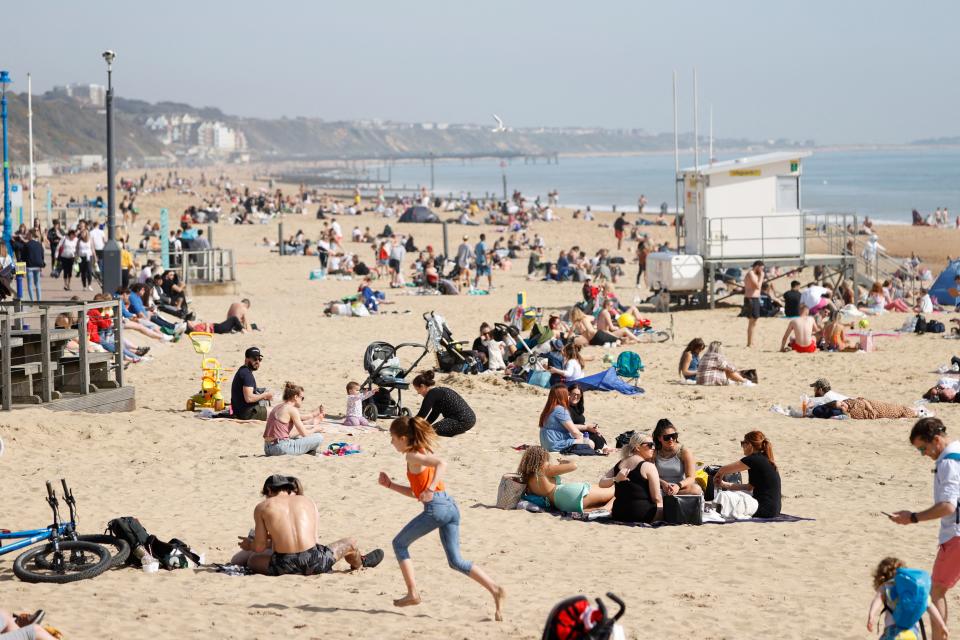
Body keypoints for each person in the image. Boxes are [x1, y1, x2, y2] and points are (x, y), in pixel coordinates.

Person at [378, 416, 504, 619]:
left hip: (437, 508)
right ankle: (495, 589)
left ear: (403, 438)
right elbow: (416, 493)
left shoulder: (412, 456)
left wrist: (428, 488)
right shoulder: (421, 452)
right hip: (450, 506)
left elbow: (441, 464)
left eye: (392, 438)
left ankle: (412, 593)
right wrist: (391, 485)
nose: (391, 442)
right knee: (456, 561)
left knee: (399, 544)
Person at [890, 417, 960, 639]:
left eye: (924, 448)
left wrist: (913, 517)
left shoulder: (948, 461)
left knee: (937, 590)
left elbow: (948, 506)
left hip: (956, 536)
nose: (924, 454)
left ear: (937, 439)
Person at [241, 474, 383, 576]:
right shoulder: (307, 501)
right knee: (350, 543)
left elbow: (259, 547)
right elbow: (314, 540)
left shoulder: (262, 507)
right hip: (315, 561)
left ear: (270, 491)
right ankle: (360, 563)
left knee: (252, 560)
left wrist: (249, 545)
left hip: (283, 565)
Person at [866, 556, 947, 639]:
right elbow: (929, 606)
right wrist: (941, 625)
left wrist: (871, 615)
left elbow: (878, 599)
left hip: (893, 633)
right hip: (912, 633)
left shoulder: (887, 586)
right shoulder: (913, 591)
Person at [517, 446, 615, 513]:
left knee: (601, 492)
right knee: (617, 490)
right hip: (565, 493)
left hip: (559, 504)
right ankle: (605, 509)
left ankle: (602, 508)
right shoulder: (544, 469)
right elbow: (573, 466)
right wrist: (566, 461)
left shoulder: (527, 477)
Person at [713, 430, 782, 518]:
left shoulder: (753, 459)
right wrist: (724, 484)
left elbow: (724, 469)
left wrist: (719, 474)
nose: (742, 446)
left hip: (763, 508)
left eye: (743, 443)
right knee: (735, 495)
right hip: (773, 509)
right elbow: (748, 487)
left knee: (724, 496)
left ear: (749, 445)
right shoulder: (765, 459)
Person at [599, 432, 663, 523]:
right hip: (641, 514)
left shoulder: (621, 463)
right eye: (650, 445)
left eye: (654, 445)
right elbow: (656, 497)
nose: (653, 448)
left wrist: (616, 479)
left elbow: (601, 483)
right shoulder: (648, 466)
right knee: (662, 505)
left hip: (618, 513)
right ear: (637, 447)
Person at [538, 384, 606, 454]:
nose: (569, 396)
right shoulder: (560, 410)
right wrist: (586, 438)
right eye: (567, 394)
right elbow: (575, 432)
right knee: (590, 443)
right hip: (556, 444)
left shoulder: (549, 408)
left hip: (546, 444)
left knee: (588, 439)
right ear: (562, 396)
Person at [262, 382, 325, 456]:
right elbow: (305, 434)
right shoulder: (292, 410)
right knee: (318, 437)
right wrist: (315, 429)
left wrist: (313, 414)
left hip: (268, 448)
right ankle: (310, 450)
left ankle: (310, 451)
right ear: (295, 397)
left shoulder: (278, 407)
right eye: (302, 398)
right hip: (280, 447)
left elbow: (289, 433)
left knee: (297, 437)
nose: (302, 400)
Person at [412, 371, 476, 437]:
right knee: (429, 429)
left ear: (422, 386)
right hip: (470, 419)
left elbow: (422, 414)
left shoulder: (431, 394)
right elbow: (434, 413)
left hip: (462, 420)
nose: (418, 393)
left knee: (430, 431)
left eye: (417, 390)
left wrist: (410, 425)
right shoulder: (437, 391)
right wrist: (425, 426)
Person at [651, 419, 702, 496]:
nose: (671, 439)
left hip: (679, 487)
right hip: (660, 486)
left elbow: (691, 478)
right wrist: (662, 483)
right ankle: (667, 495)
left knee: (696, 489)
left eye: (673, 436)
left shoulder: (684, 452)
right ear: (659, 438)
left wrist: (678, 486)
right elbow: (650, 475)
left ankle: (667, 496)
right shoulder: (654, 453)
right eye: (667, 437)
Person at [230, 347, 273, 420]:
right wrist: (264, 395)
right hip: (247, 413)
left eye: (259, 359)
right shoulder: (247, 374)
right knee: (279, 412)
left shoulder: (243, 370)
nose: (258, 362)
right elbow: (249, 398)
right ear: (246, 359)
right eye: (255, 359)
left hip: (239, 411)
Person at [743, 260, 764, 347]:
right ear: (757, 266)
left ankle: (751, 341)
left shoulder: (756, 275)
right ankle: (749, 342)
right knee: (752, 320)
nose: (762, 271)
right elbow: (757, 286)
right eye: (761, 268)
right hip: (750, 298)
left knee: (754, 321)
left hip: (755, 298)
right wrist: (762, 276)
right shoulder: (751, 273)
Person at [23, 230, 44, 302]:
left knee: (30, 284)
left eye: (28, 235)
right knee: (37, 284)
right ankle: (39, 300)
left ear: (31, 235)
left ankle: (32, 301)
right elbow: (42, 255)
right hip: (37, 266)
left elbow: (23, 256)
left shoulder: (26, 245)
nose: (27, 236)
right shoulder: (39, 244)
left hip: (29, 267)